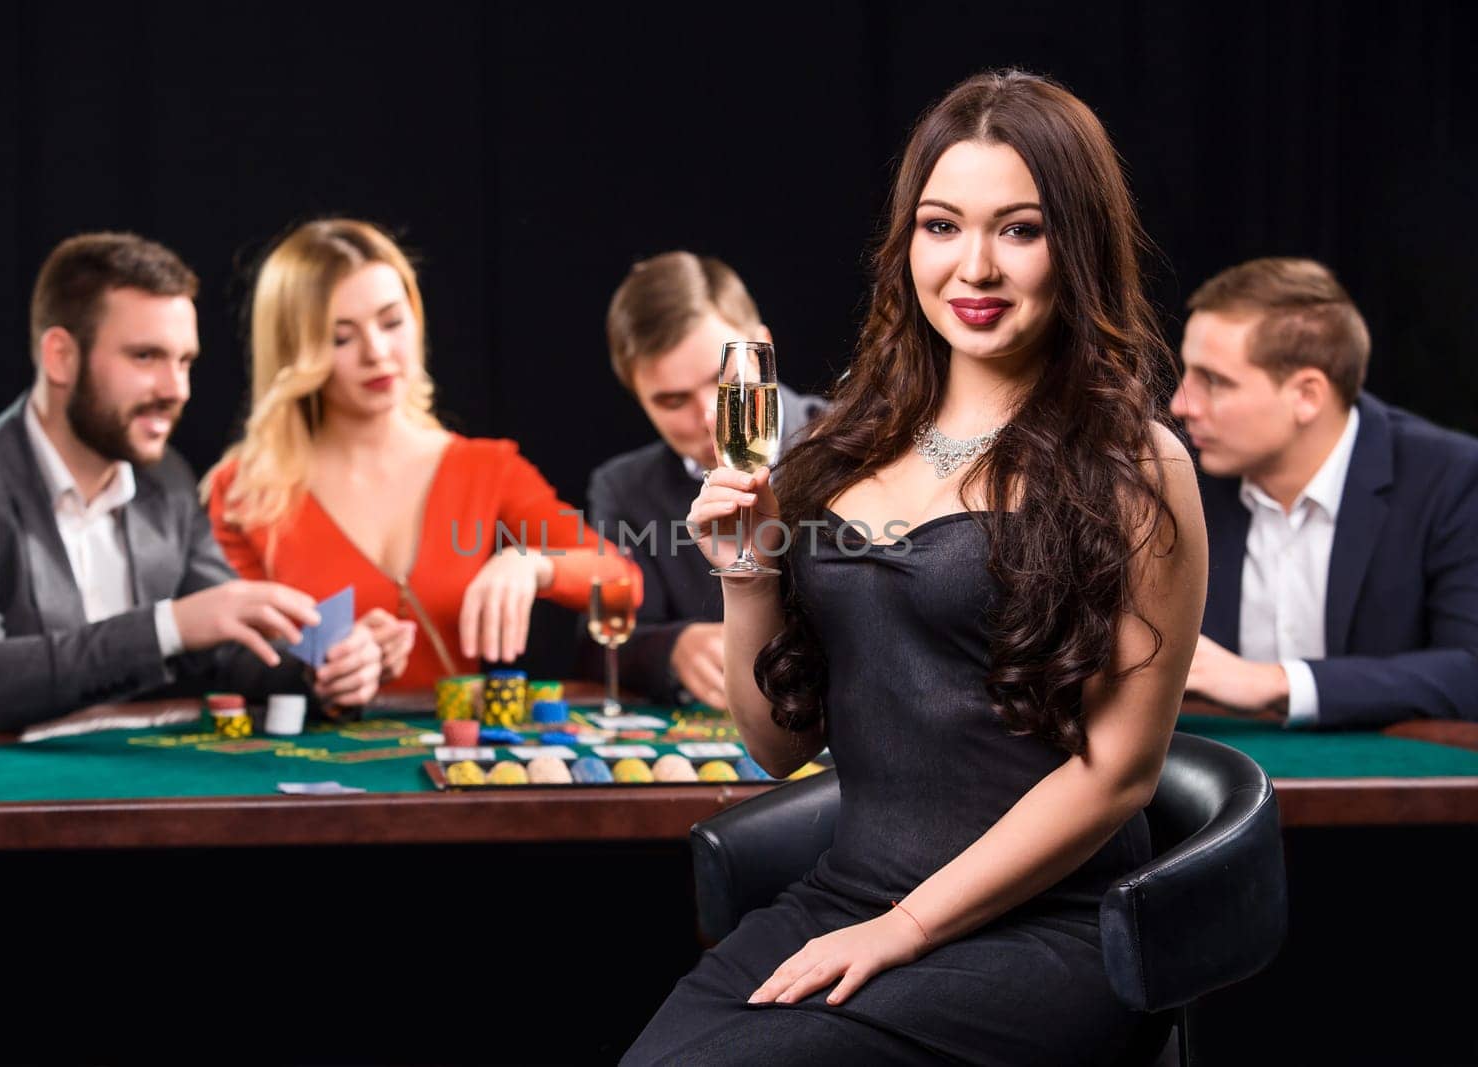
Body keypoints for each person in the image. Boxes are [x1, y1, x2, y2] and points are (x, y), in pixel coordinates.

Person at [623, 70, 1206, 1065]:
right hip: (848, 895)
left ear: (1077, 246)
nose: (973, 266)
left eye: (1019, 229)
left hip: (1045, 926)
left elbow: (1118, 772)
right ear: (905, 245)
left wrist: (903, 930)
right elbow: (776, 747)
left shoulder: (1136, 464)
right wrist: (746, 571)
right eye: (942, 226)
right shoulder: (836, 450)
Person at [0, 233, 381, 733]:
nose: (175, 390)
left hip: (136, 796)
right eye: (145, 357)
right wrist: (169, 626)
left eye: (185, 362)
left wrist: (324, 672)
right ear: (60, 357)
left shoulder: (168, 481)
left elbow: (226, 646)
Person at [204, 219, 640, 692]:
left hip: (456, 760)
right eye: (341, 337)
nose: (378, 352)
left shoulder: (486, 468)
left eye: (392, 322)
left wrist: (533, 562)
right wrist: (325, 661)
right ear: (296, 351)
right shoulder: (243, 491)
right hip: (306, 762)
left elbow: (622, 582)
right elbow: (228, 663)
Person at [1171, 257, 1478, 728]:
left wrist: (1275, 682)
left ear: (1307, 396)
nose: (1180, 404)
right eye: (1187, 373)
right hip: (1214, 785)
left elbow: (1469, 671)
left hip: (1389, 791)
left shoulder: (1452, 478)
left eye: (1213, 381)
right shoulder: (1174, 479)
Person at [587, 252, 825, 708]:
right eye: (672, 401)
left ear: (763, 349)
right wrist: (673, 649)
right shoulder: (624, 488)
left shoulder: (856, 447)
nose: (710, 416)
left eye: (725, 382)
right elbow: (598, 641)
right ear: (638, 397)